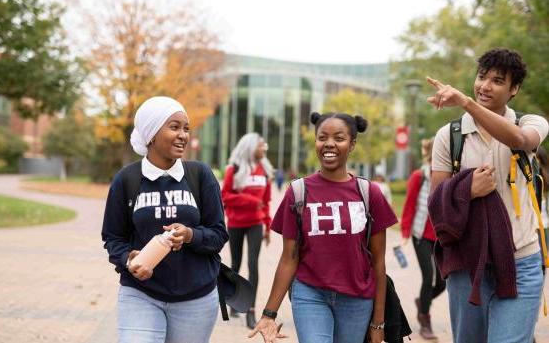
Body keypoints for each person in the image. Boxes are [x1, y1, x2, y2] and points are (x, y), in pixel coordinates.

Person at [428, 48, 549, 343]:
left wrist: (467, 103)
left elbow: (519, 141)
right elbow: (436, 203)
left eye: (497, 81)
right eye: (482, 77)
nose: (485, 86)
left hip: (522, 260)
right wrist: (467, 190)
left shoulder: (531, 123)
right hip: (469, 265)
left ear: (514, 89)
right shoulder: (449, 135)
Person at [249, 111, 398, 343]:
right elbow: (289, 258)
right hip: (310, 294)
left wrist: (378, 322)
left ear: (352, 145)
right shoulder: (298, 192)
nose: (329, 144)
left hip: (357, 299)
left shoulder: (370, 194)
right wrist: (269, 314)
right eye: (322, 137)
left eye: (339, 138)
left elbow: (378, 263)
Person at [101, 96, 228, 343]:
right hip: (140, 294)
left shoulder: (200, 175)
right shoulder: (127, 179)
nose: (183, 135)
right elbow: (113, 238)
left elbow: (218, 234)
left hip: (196, 298)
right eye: (174, 127)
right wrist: (128, 259)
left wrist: (191, 235)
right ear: (151, 134)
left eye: (186, 128)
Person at [221, 132, 274, 329]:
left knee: (253, 264)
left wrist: (267, 226)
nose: (264, 149)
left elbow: (266, 202)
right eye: (261, 145)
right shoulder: (233, 169)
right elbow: (224, 196)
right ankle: (234, 301)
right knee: (235, 263)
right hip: (235, 223)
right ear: (251, 147)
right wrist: (250, 201)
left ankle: (251, 310)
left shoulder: (265, 171)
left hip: (255, 224)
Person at [400, 137, 445, 340]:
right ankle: (425, 320)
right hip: (421, 235)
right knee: (429, 277)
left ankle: (422, 302)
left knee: (442, 283)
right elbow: (409, 205)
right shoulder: (420, 176)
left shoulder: (450, 175)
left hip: (442, 237)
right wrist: (405, 234)